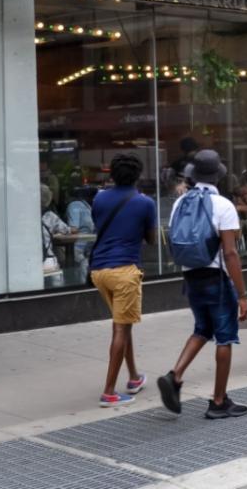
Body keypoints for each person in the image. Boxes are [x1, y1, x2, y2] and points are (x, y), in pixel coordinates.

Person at [158, 149, 247, 420]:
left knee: (201, 329)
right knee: (225, 337)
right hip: (217, 278)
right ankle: (219, 401)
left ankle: (175, 376)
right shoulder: (223, 206)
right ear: (218, 176)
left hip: (191, 275)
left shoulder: (180, 202)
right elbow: (231, 253)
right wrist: (242, 294)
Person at [90, 155, 157, 407]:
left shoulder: (99, 198)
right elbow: (151, 240)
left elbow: (99, 225)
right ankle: (109, 391)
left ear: (111, 175)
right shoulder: (145, 203)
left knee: (122, 325)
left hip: (99, 271)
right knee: (121, 329)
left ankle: (134, 377)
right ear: (138, 176)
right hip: (125, 271)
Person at [41, 184, 74, 279]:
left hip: (26, 261)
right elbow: (67, 230)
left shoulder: (24, 215)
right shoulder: (50, 216)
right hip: (46, 259)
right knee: (57, 282)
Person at [66, 186, 96, 282]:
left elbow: (74, 229)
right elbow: (73, 229)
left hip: (85, 250)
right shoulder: (77, 206)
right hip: (81, 250)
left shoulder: (83, 207)